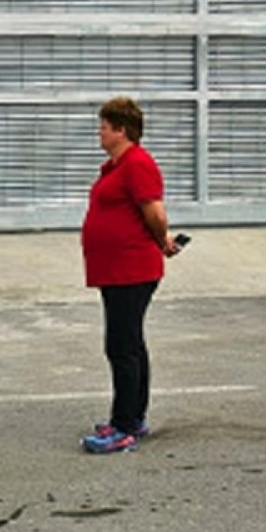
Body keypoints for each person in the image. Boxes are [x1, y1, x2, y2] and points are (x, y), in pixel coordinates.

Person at [79, 95, 178, 454]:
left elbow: (155, 212)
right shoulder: (118, 166)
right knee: (130, 343)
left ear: (121, 130)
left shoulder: (137, 164)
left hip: (131, 268)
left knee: (121, 346)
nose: (99, 133)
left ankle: (124, 426)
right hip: (116, 268)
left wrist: (161, 240)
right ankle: (133, 417)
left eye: (104, 127)